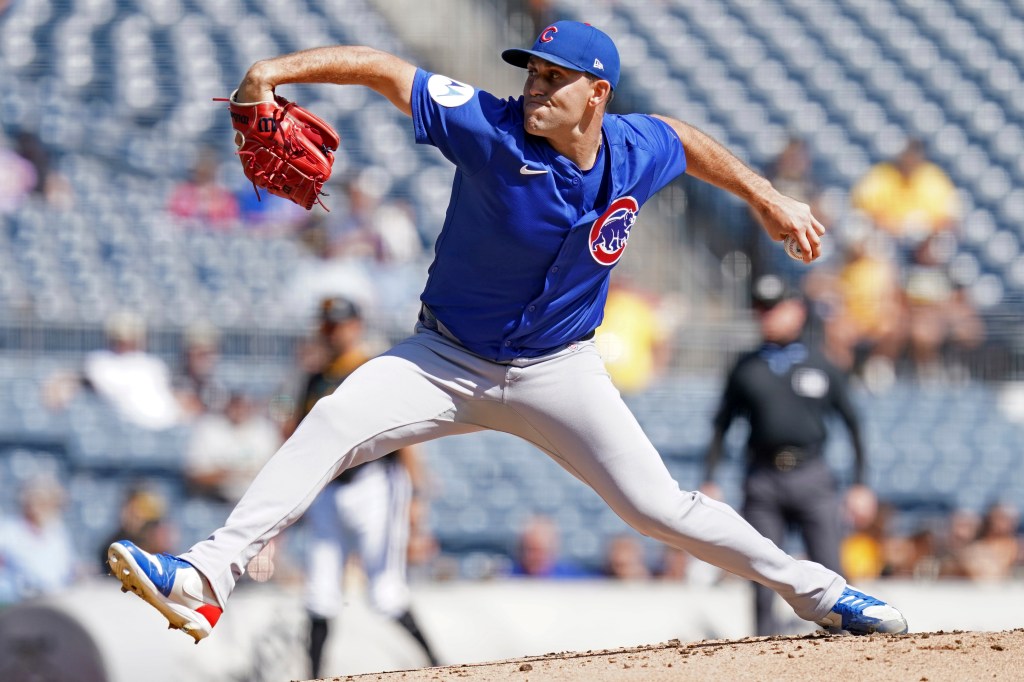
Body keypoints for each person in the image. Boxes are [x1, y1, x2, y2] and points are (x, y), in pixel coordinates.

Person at [107, 20, 907, 646]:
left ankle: (823, 595)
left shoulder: (635, 148)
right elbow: (388, 71)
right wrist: (272, 74)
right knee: (334, 419)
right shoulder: (487, 127)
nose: (535, 88)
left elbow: (686, 141)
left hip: (560, 369)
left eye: (555, 79)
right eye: (532, 72)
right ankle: (205, 577)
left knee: (660, 507)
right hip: (444, 357)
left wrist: (768, 199)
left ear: (598, 95)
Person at [702, 274, 875, 635]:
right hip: (763, 478)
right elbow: (722, 426)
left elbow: (853, 424)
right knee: (762, 570)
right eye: (761, 309)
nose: (768, 316)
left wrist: (861, 485)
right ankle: (766, 648)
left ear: (796, 311)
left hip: (812, 475)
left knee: (831, 568)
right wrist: (711, 477)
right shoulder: (746, 367)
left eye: (775, 307)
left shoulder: (821, 364)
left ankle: (845, 648)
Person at [289, 296, 438, 676]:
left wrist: (416, 495)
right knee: (319, 593)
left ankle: (439, 666)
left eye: (338, 324)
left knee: (385, 592)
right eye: (327, 325)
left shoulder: (374, 368)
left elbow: (403, 431)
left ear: (356, 325)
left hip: (375, 484)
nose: (332, 332)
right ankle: (314, 674)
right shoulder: (313, 376)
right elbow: (293, 433)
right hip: (327, 488)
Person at [851, 138, 959, 245]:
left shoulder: (934, 177)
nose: (910, 160)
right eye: (908, 155)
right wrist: (899, 226)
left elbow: (947, 219)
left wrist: (923, 227)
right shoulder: (881, 175)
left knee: (942, 242)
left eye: (915, 155)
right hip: (888, 239)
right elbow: (867, 214)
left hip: (925, 243)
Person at [183, 392, 282, 504]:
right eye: (236, 405)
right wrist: (234, 474)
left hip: (255, 501)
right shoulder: (208, 427)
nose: (239, 410)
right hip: (214, 499)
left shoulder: (266, 430)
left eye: (243, 405)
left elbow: (275, 475)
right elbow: (195, 475)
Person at [0, 476, 77, 606]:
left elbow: (66, 570)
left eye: (46, 502)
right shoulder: (7, 531)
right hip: (15, 603)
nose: (38, 507)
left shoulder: (58, 531)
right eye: (36, 500)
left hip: (53, 601)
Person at [510, 515, 592, 579]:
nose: (533, 557)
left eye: (540, 551)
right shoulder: (509, 578)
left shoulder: (573, 579)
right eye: (529, 550)